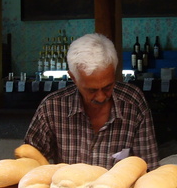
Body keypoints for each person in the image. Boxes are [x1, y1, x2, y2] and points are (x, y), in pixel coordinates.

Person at [24, 33, 158, 170]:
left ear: (115, 73)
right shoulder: (52, 107)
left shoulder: (132, 103)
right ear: (73, 78)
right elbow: (29, 161)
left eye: (107, 87)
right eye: (91, 90)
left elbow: (148, 166)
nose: (101, 97)